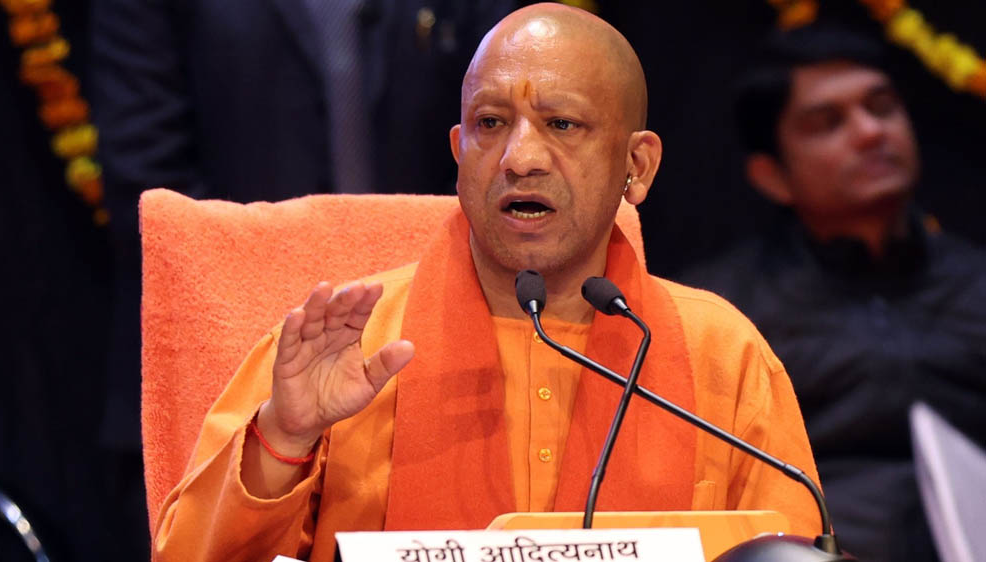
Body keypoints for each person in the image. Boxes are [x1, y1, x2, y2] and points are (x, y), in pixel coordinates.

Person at [152, 5, 822, 561]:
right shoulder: (348, 349)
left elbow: (793, 547)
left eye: (561, 124)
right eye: (491, 124)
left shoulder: (719, 356)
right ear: (458, 153)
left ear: (637, 165)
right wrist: (284, 438)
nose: (519, 158)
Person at [680, 25, 986, 562]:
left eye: (882, 107)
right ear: (772, 176)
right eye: (828, 123)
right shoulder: (722, 315)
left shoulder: (976, 280)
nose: (870, 132)